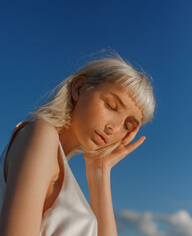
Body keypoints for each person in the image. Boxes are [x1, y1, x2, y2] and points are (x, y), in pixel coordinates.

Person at [0, 52, 155, 236]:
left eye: (127, 125)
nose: (114, 128)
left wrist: (100, 170)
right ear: (79, 88)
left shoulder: (59, 164)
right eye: (111, 106)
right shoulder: (42, 134)